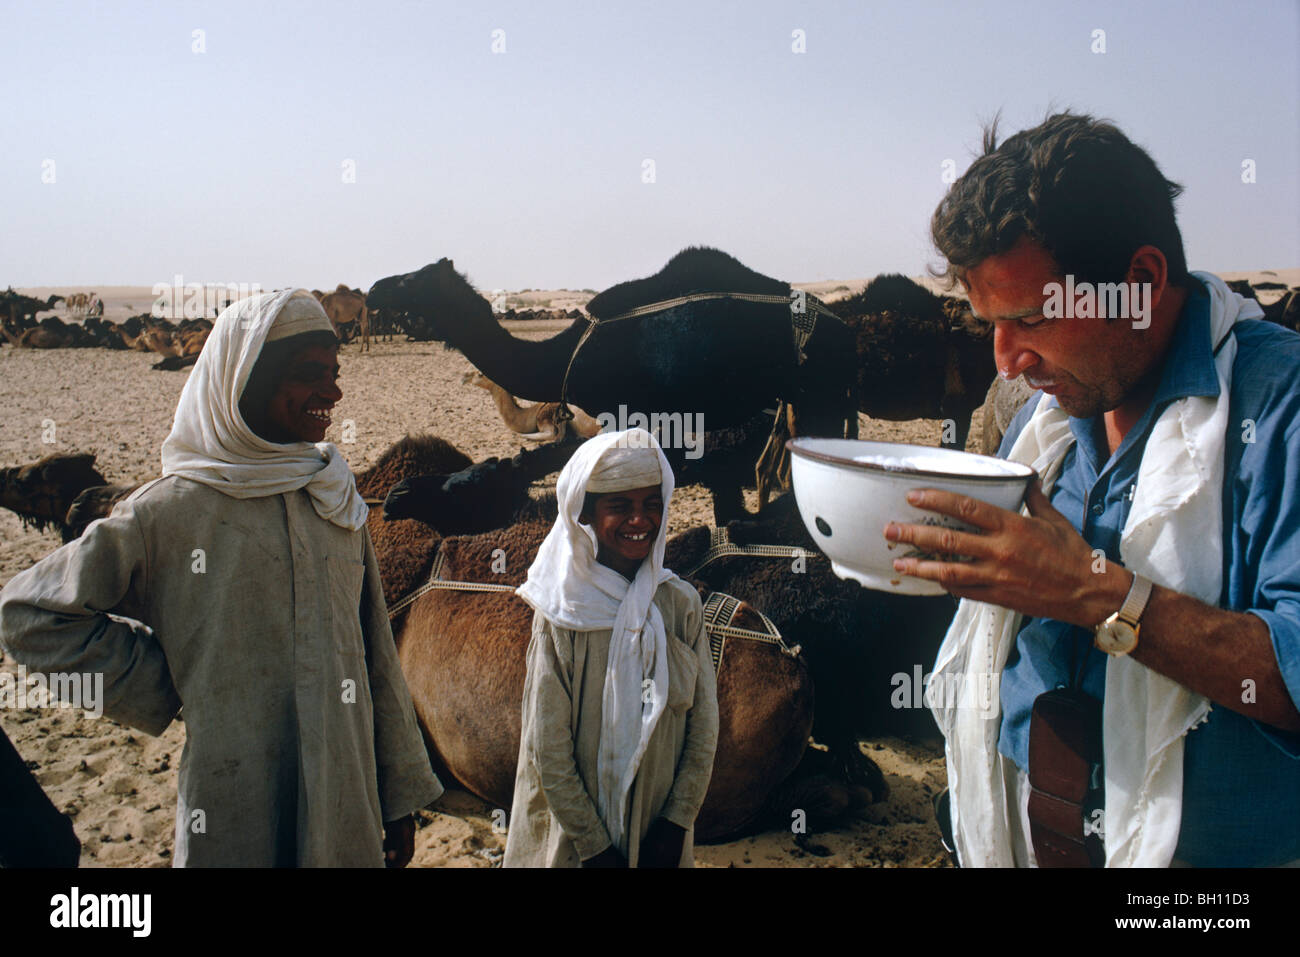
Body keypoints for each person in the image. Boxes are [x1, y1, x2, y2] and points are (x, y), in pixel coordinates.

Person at [888, 112, 1300, 867]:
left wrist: (1095, 592)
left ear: (1139, 284)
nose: (1007, 360)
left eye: (1033, 317)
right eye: (989, 324)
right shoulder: (1044, 421)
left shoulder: (1281, 414)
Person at [0, 289, 442, 867]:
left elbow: (373, 654)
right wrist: (170, 685)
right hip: (233, 800)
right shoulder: (171, 509)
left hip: (347, 798)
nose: (332, 392)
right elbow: (30, 615)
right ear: (242, 379)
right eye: (309, 375)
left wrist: (398, 795)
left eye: (334, 374)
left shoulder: (333, 496)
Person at [502, 428, 719, 867]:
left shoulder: (680, 605)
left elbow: (704, 724)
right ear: (586, 513)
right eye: (620, 507)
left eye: (651, 505)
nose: (639, 521)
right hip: (574, 842)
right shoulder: (563, 613)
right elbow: (548, 746)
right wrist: (594, 846)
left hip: (659, 836)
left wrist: (676, 821)